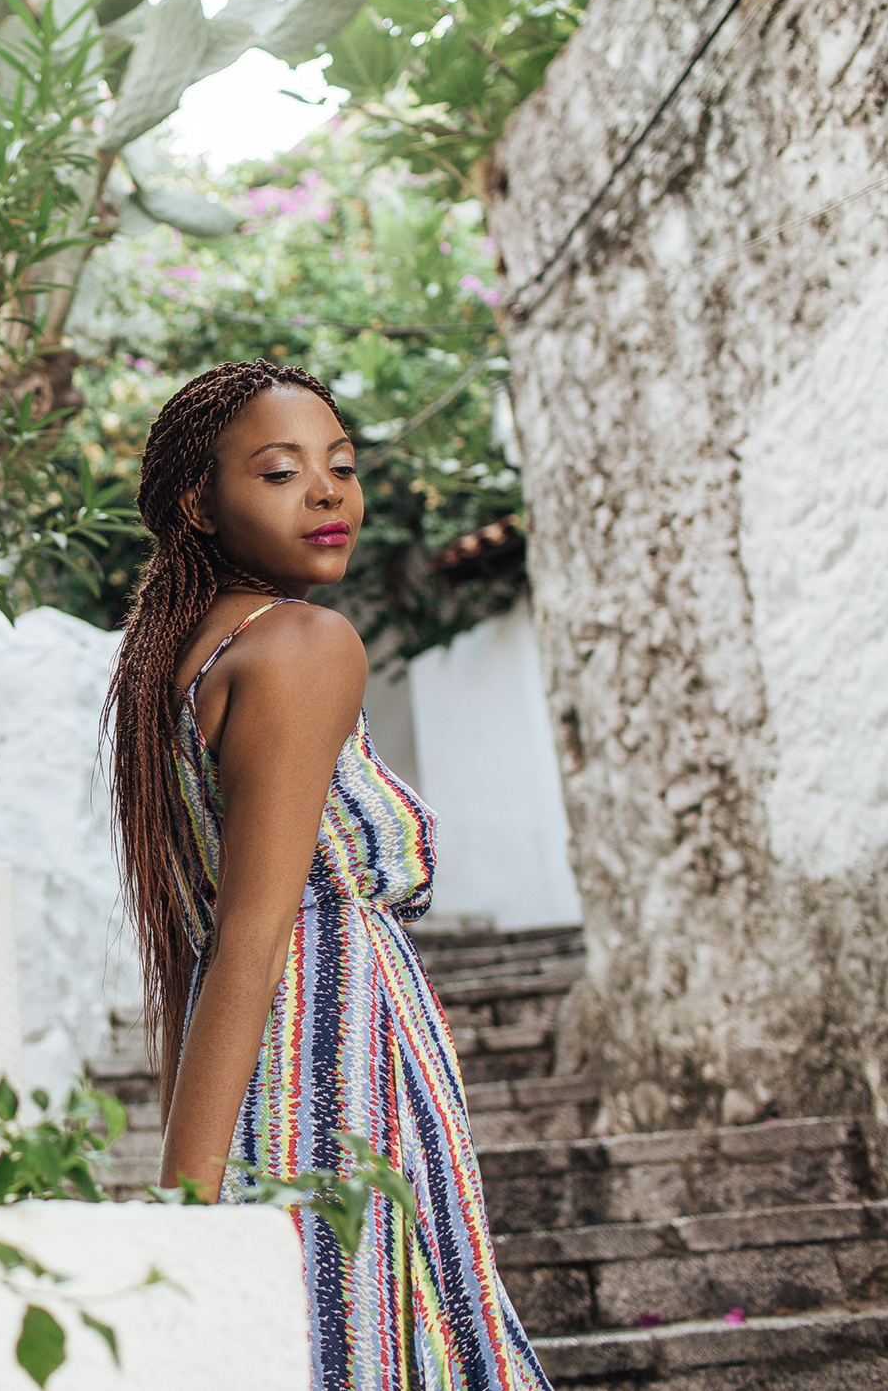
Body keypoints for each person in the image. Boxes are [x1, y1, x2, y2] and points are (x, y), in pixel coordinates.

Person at [102, 360, 551, 1390]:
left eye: (340, 466)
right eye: (279, 471)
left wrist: (188, 1180)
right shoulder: (305, 645)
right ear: (197, 503)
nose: (327, 492)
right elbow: (254, 930)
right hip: (344, 1067)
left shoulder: (175, 664)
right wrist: (186, 1219)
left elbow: (197, 947)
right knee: (385, 1341)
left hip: (268, 1072)